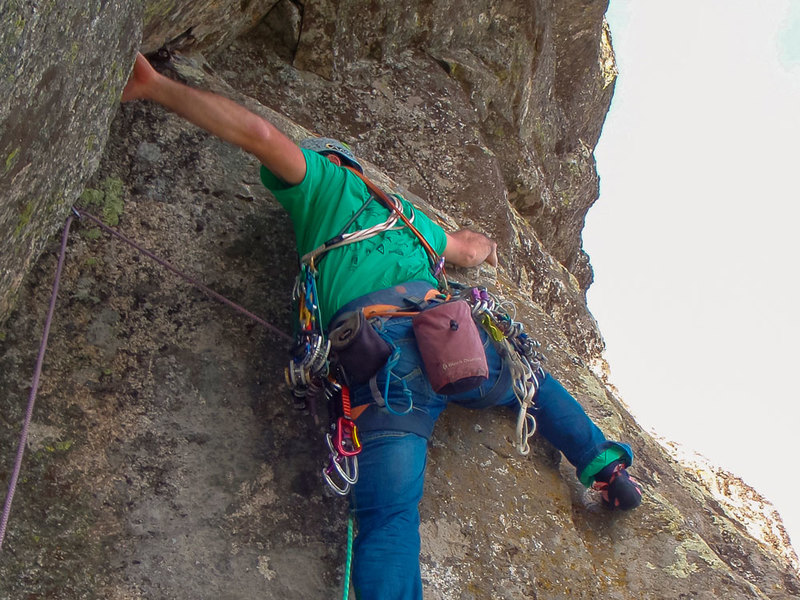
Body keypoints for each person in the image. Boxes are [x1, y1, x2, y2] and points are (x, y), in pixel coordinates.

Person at [122, 52, 642, 600]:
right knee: (529, 381)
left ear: (331, 163)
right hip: (452, 342)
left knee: (389, 517)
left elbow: (256, 133)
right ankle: (604, 465)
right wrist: (482, 242)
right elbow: (470, 247)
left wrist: (157, 86)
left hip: (383, 363)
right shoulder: (407, 220)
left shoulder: (323, 181)